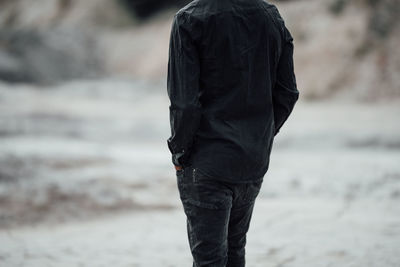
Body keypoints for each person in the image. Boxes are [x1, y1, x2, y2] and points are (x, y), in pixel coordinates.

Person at [166, 0, 299, 266]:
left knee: (210, 260)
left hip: (207, 162)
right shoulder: (270, 16)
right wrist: (258, 136)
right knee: (235, 251)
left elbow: (185, 105)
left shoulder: (189, 20)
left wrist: (179, 153)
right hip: (251, 160)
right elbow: (287, 93)